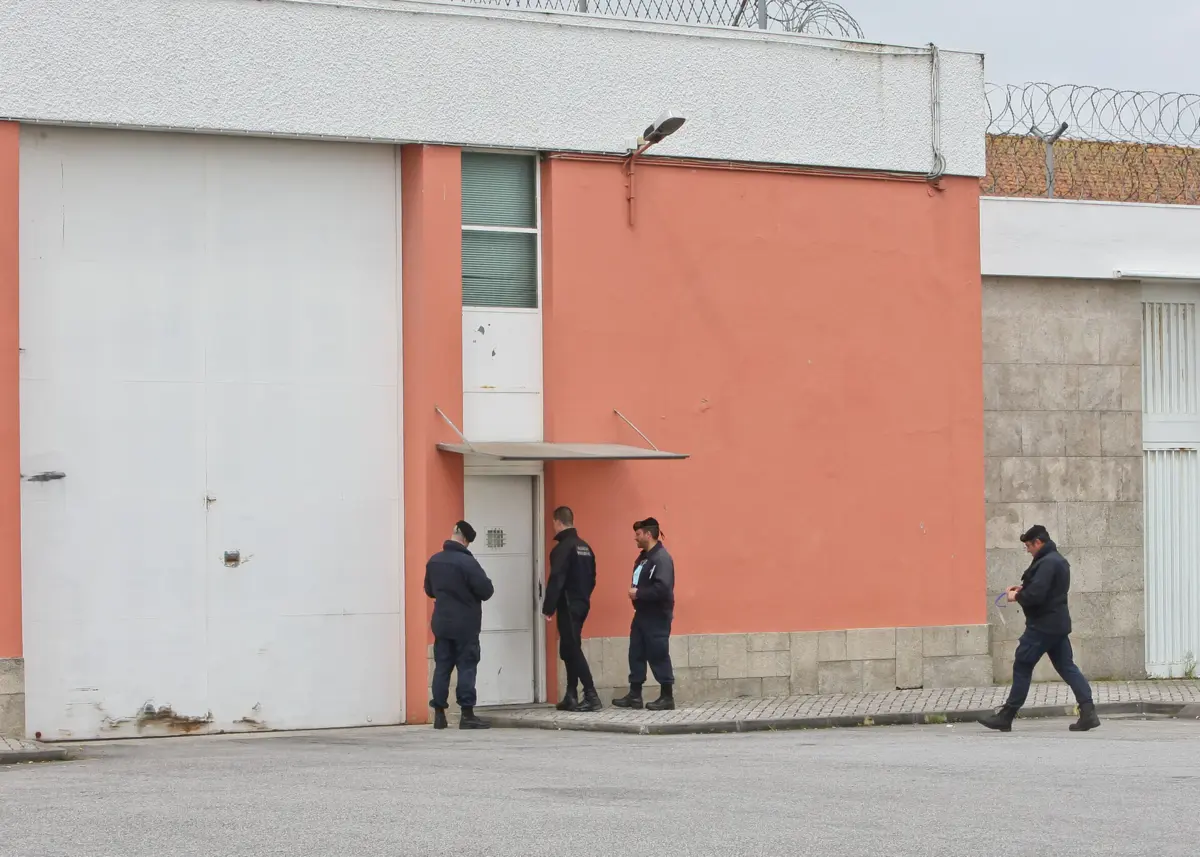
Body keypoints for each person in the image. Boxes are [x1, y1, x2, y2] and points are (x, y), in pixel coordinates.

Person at [980, 524, 1099, 733]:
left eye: (1029, 545)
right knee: (1067, 667)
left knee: (1023, 665)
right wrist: (1025, 588)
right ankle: (1088, 712)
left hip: (1042, 626)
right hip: (1057, 625)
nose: (1028, 550)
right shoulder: (1057, 560)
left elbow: (1037, 596)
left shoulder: (1047, 563)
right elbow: (1046, 590)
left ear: (1038, 542)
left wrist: (1016, 596)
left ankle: (1006, 716)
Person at [425, 520, 495, 730]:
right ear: (466, 540)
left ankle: (439, 714)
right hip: (465, 624)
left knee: (442, 667)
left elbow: (429, 590)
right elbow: (486, 591)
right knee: (467, 666)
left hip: (442, 623)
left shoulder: (434, 561)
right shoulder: (468, 563)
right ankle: (467, 714)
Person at [612, 517, 676, 711]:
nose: (635, 538)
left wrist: (639, 593)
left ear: (649, 534)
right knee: (636, 653)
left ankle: (667, 697)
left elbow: (663, 589)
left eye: (638, 534)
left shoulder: (661, 559)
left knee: (658, 653)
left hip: (657, 615)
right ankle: (635, 695)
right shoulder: (644, 558)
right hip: (641, 614)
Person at [543, 506, 602, 712]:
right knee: (569, 648)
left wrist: (548, 607)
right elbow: (593, 578)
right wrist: (583, 597)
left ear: (558, 522)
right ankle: (571, 694)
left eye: (553, 523)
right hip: (582, 603)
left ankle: (591, 694)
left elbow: (557, 579)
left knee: (572, 649)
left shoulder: (562, 548)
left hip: (567, 604)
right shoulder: (585, 547)